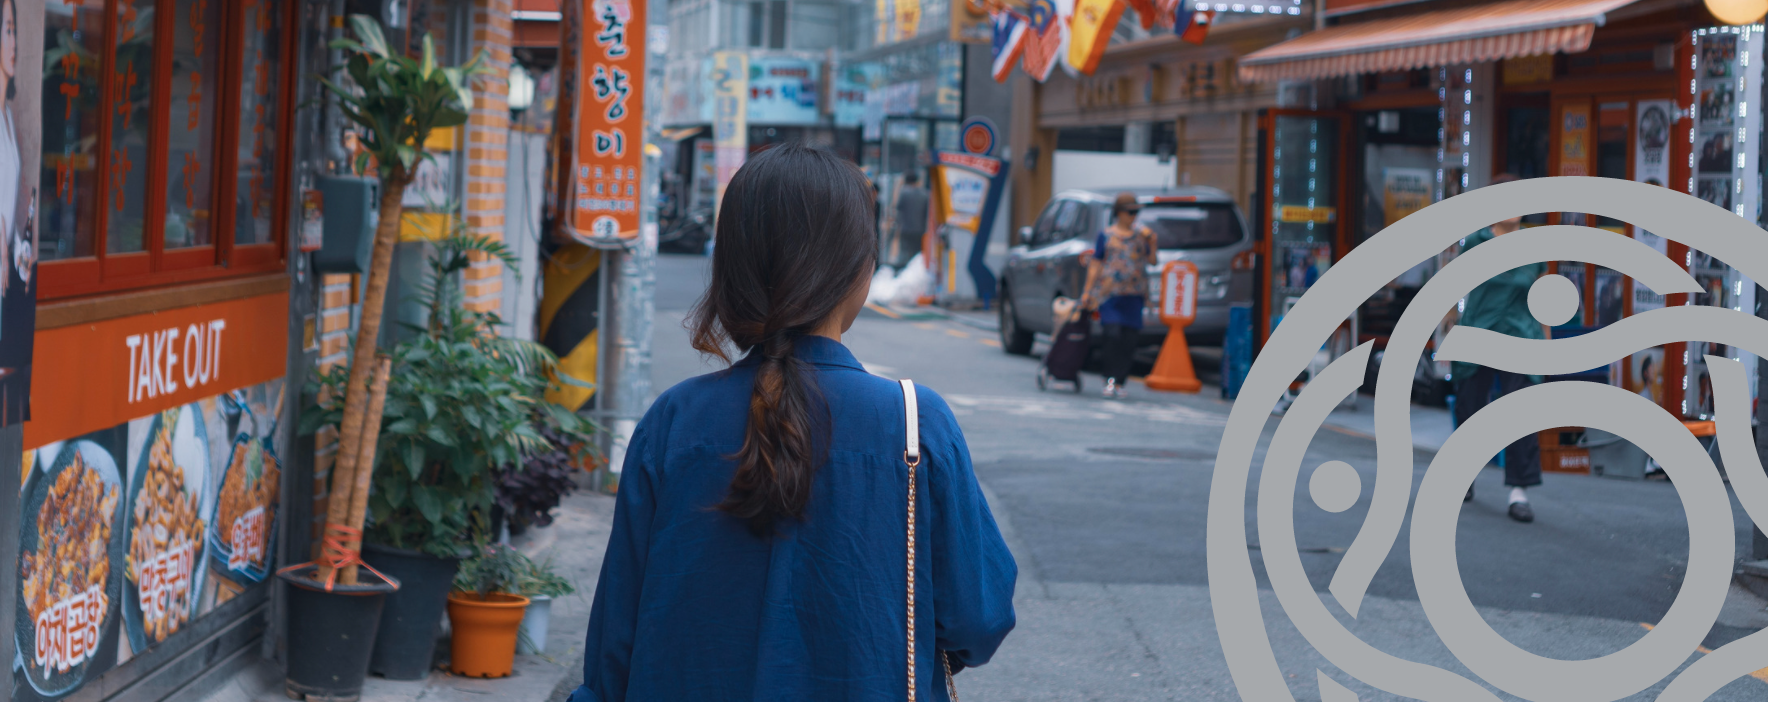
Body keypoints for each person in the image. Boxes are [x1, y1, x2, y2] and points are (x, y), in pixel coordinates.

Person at [571, 143, 1017, 702]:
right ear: (857, 271)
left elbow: (614, 651)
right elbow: (979, 620)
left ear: (731, 269)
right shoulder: (914, 424)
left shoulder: (673, 423)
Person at [1451, 173, 1546, 523]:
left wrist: (1547, 344)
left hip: (1521, 334)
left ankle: (1518, 492)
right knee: (1469, 406)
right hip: (1479, 331)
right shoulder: (1476, 242)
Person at [1081, 193, 1156, 400]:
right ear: (1119, 213)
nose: (1134, 216)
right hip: (1109, 295)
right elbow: (1096, 263)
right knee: (1112, 335)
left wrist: (1153, 242)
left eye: (1136, 212)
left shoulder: (1142, 236)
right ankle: (1110, 380)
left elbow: (1152, 261)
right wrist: (1087, 291)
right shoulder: (1105, 235)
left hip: (1134, 295)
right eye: (1130, 212)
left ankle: (1120, 381)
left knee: (1129, 341)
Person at [894, 170, 929, 268]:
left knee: (905, 252)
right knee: (917, 254)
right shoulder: (925, 194)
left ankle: (903, 271)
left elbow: (899, 210)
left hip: (906, 228)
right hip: (920, 229)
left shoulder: (904, 193)